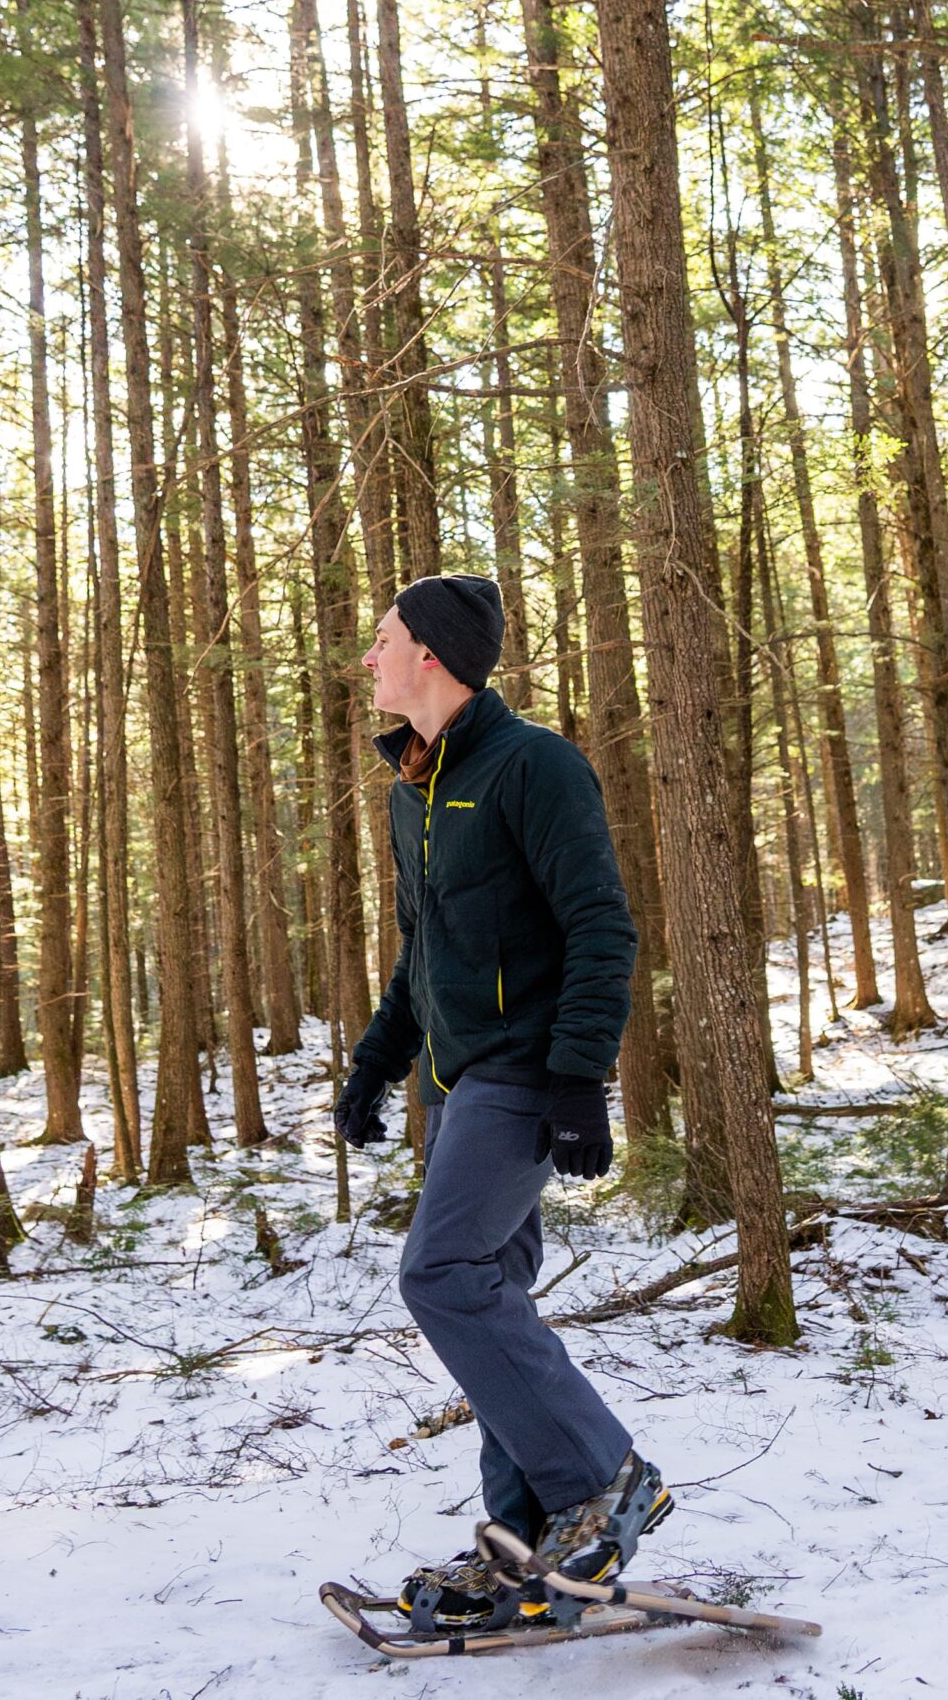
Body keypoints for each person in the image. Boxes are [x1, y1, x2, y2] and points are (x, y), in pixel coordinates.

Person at [330, 575, 665, 1631]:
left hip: (524, 1070)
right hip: (461, 1078)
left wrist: (577, 1077)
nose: (370, 658)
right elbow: (421, 956)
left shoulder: (535, 766)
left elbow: (600, 927)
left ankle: (604, 1482)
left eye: (382, 641)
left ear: (430, 653)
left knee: (442, 1274)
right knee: (491, 1294)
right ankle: (526, 1538)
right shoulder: (413, 790)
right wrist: (377, 1064)